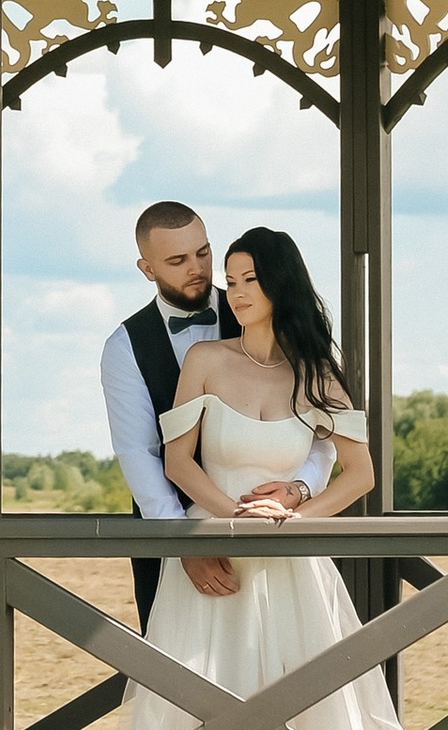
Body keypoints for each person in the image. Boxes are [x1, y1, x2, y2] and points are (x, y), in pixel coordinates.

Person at [55, 223, 438, 730]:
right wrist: (226, 520)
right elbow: (175, 461)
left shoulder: (319, 371)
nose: (235, 292)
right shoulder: (204, 359)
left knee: (303, 711)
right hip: (213, 569)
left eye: (249, 279)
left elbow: (358, 474)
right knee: (203, 709)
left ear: (281, 281)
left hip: (293, 574)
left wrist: (296, 516)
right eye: (230, 280)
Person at [100, 199, 326, 630]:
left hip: (280, 536)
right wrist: (186, 544)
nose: (197, 268)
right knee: (179, 678)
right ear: (147, 268)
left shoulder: (260, 311)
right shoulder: (124, 347)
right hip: (174, 539)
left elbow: (319, 432)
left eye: (203, 253)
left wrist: (298, 491)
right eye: (177, 260)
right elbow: (139, 453)